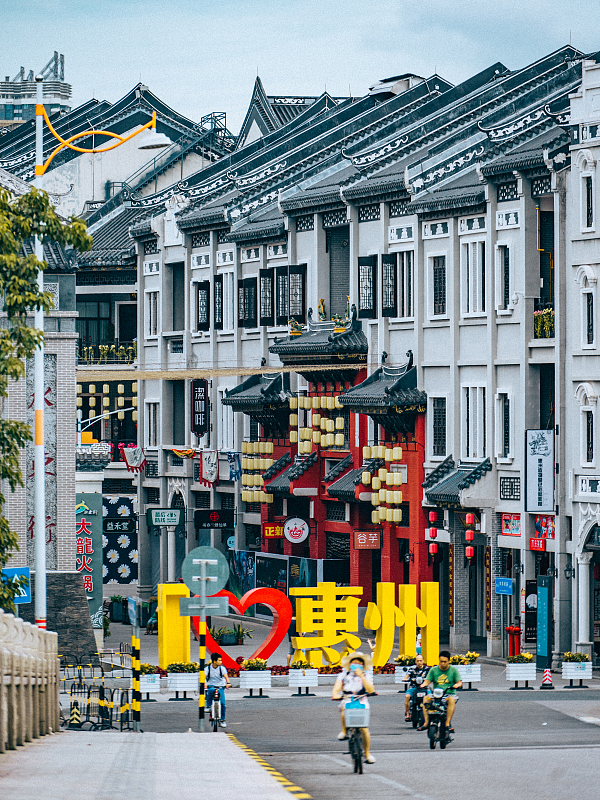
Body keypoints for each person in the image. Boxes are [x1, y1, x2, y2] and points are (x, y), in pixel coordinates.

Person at [331, 651, 376, 764]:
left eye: (359, 663)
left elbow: (371, 690)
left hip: (362, 701)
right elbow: (336, 689)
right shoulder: (343, 675)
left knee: (365, 730)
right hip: (347, 699)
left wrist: (361, 676)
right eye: (354, 662)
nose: (356, 664)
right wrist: (336, 695)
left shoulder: (366, 675)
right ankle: (344, 731)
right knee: (343, 709)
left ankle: (367, 754)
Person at [419, 650, 462, 733]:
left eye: (445, 662)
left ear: (449, 661)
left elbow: (459, 681)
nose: (443, 663)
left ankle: (447, 723)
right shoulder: (433, 670)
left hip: (448, 694)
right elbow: (427, 680)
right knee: (425, 699)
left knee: (451, 700)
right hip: (436, 694)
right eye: (441, 661)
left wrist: (457, 685)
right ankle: (426, 723)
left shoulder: (453, 670)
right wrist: (424, 684)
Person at [206, 653, 231, 728]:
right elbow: (204, 677)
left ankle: (222, 720)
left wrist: (228, 683)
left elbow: (226, 677)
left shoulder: (222, 668)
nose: (221, 662)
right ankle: (208, 706)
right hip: (211, 685)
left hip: (220, 686)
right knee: (209, 691)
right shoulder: (208, 668)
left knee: (223, 704)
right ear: (214, 661)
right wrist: (204, 683)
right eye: (219, 660)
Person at [404, 654, 429, 722]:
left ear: (423, 661)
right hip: (413, 688)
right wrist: (405, 678)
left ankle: (431, 713)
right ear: (415, 661)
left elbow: (431, 676)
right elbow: (407, 675)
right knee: (407, 696)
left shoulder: (427, 669)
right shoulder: (412, 668)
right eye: (418, 661)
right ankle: (408, 714)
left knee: (432, 697)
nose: (419, 662)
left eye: (420, 660)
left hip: (424, 688)